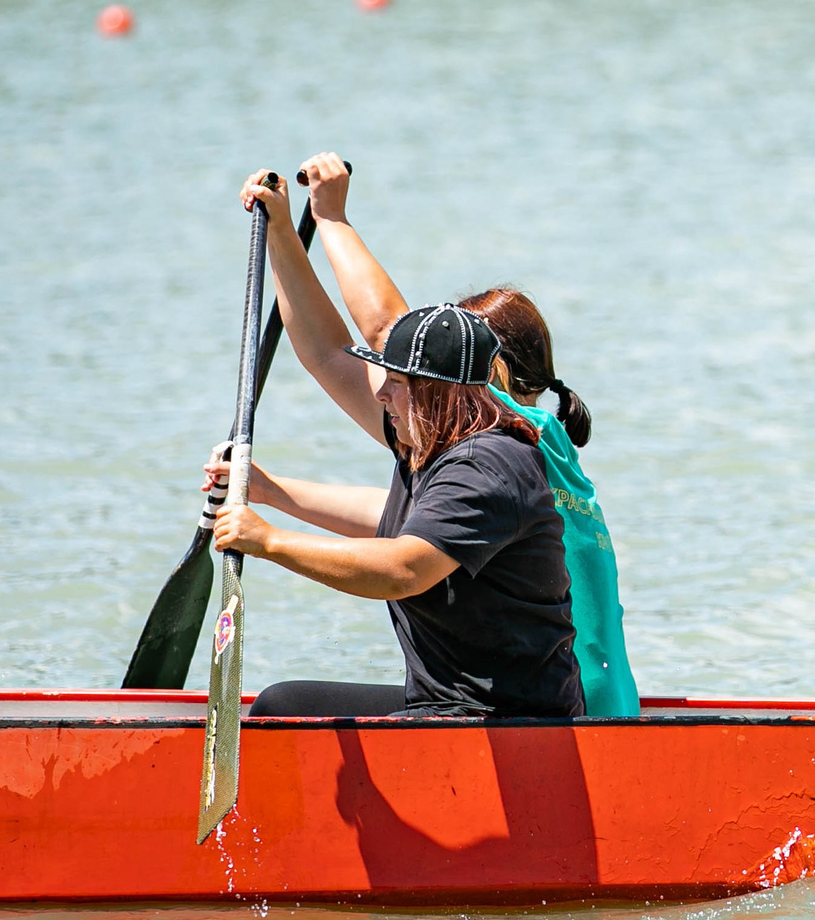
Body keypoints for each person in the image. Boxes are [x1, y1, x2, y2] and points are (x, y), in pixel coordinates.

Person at [209, 170, 584, 719]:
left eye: (396, 381)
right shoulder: (432, 440)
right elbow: (326, 353)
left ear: (434, 392)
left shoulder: (489, 464)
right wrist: (286, 233)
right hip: (449, 704)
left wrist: (270, 542)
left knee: (281, 709)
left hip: (510, 722)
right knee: (284, 704)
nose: (380, 391)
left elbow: (403, 569)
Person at [287, 153, 639, 716]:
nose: (413, 379)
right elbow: (404, 515)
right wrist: (270, 491)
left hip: (564, 723)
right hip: (609, 706)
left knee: (286, 702)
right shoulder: (543, 444)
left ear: (487, 373)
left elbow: (377, 332)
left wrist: (331, 219)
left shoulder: (495, 439)